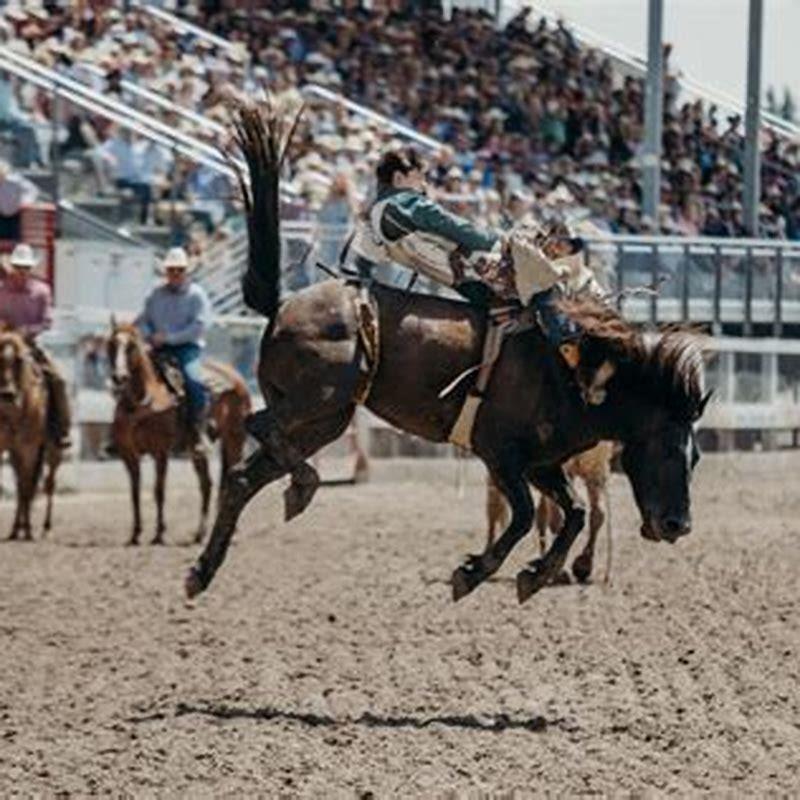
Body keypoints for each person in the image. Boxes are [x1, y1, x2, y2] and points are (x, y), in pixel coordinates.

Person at [352, 146, 590, 362]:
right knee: (543, 279)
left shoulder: (372, 219)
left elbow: (363, 262)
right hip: (476, 269)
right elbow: (454, 227)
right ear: (399, 178)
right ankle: (567, 346)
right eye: (420, 176)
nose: (424, 183)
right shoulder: (407, 202)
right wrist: (498, 241)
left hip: (459, 283)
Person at [135, 247, 212, 453]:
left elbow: (199, 326)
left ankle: (198, 430)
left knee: (194, 380)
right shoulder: (155, 295)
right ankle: (123, 432)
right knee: (132, 376)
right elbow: (143, 321)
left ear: (186, 271)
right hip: (158, 348)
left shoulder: (197, 295)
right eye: (171, 270)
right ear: (166, 271)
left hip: (187, 348)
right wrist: (149, 335)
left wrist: (168, 337)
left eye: (179, 270)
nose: (175, 274)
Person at [0, 243, 71, 448]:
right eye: (18, 267)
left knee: (58, 379)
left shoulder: (41, 291)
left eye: (25, 267)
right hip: (3, 343)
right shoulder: (1, 290)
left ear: (31, 269)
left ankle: (60, 428)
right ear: (12, 267)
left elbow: (46, 321)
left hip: (31, 345)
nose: (21, 272)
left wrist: (27, 330)